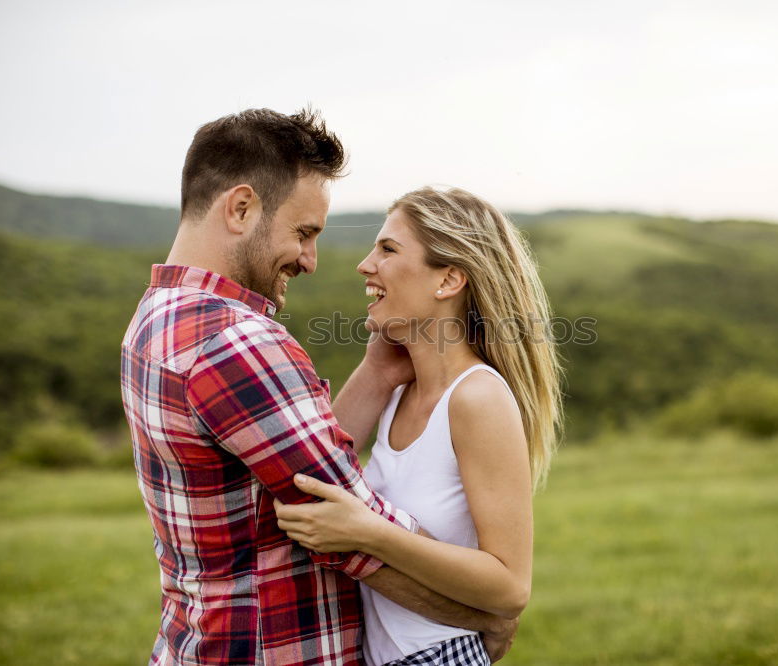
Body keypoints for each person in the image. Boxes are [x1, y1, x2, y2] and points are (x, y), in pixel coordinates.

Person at [120, 109, 517, 666]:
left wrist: (377, 375)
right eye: (304, 233)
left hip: (199, 638)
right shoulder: (237, 341)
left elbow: (306, 469)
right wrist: (483, 617)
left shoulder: (153, 319)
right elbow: (348, 524)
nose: (311, 260)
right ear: (240, 208)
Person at [274, 186, 564, 665]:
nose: (365, 265)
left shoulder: (477, 397)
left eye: (388, 249)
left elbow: (511, 586)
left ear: (448, 280)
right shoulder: (399, 388)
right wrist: (376, 372)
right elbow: (313, 471)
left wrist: (370, 533)